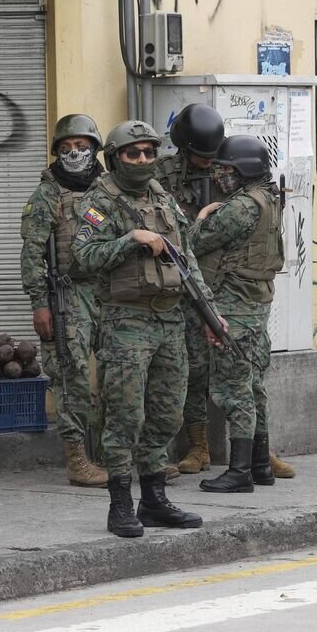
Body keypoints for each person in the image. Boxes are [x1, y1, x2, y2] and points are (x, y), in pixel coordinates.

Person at [72, 120, 211, 539]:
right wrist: (131, 237)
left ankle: (153, 499)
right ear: (115, 158)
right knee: (124, 415)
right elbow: (82, 256)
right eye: (134, 153)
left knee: (168, 411)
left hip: (169, 319)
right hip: (125, 322)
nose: (143, 160)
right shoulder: (100, 202)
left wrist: (210, 313)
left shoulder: (161, 197)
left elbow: (185, 259)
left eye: (150, 152)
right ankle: (120, 504)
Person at [190, 136, 285, 491]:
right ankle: (260, 466)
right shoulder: (269, 199)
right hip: (257, 305)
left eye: (225, 169)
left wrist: (201, 216)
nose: (219, 176)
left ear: (244, 170)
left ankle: (240, 471)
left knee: (233, 388)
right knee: (255, 385)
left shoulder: (241, 207)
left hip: (235, 305)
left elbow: (193, 243)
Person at [20, 114, 108, 488]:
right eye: (66, 147)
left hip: (110, 292)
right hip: (68, 293)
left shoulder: (109, 187)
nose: (74, 152)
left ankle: (115, 453)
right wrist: (40, 303)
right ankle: (77, 458)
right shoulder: (47, 193)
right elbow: (32, 253)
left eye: (82, 145)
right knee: (70, 374)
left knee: (120, 373)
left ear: (95, 148)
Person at [154, 103, 224, 477]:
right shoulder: (162, 175)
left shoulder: (229, 169)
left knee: (241, 368)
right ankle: (197, 446)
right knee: (191, 368)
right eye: (199, 156)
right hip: (182, 286)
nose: (206, 163)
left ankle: (259, 447)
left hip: (224, 283)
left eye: (210, 157)